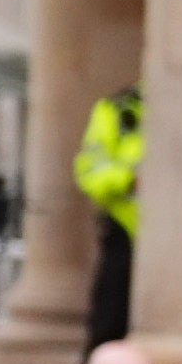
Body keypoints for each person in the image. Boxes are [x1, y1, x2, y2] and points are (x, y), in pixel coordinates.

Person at [72, 80, 143, 344]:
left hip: (180, 236)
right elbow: (89, 172)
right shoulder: (117, 109)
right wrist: (130, 179)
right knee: (111, 317)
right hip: (125, 230)